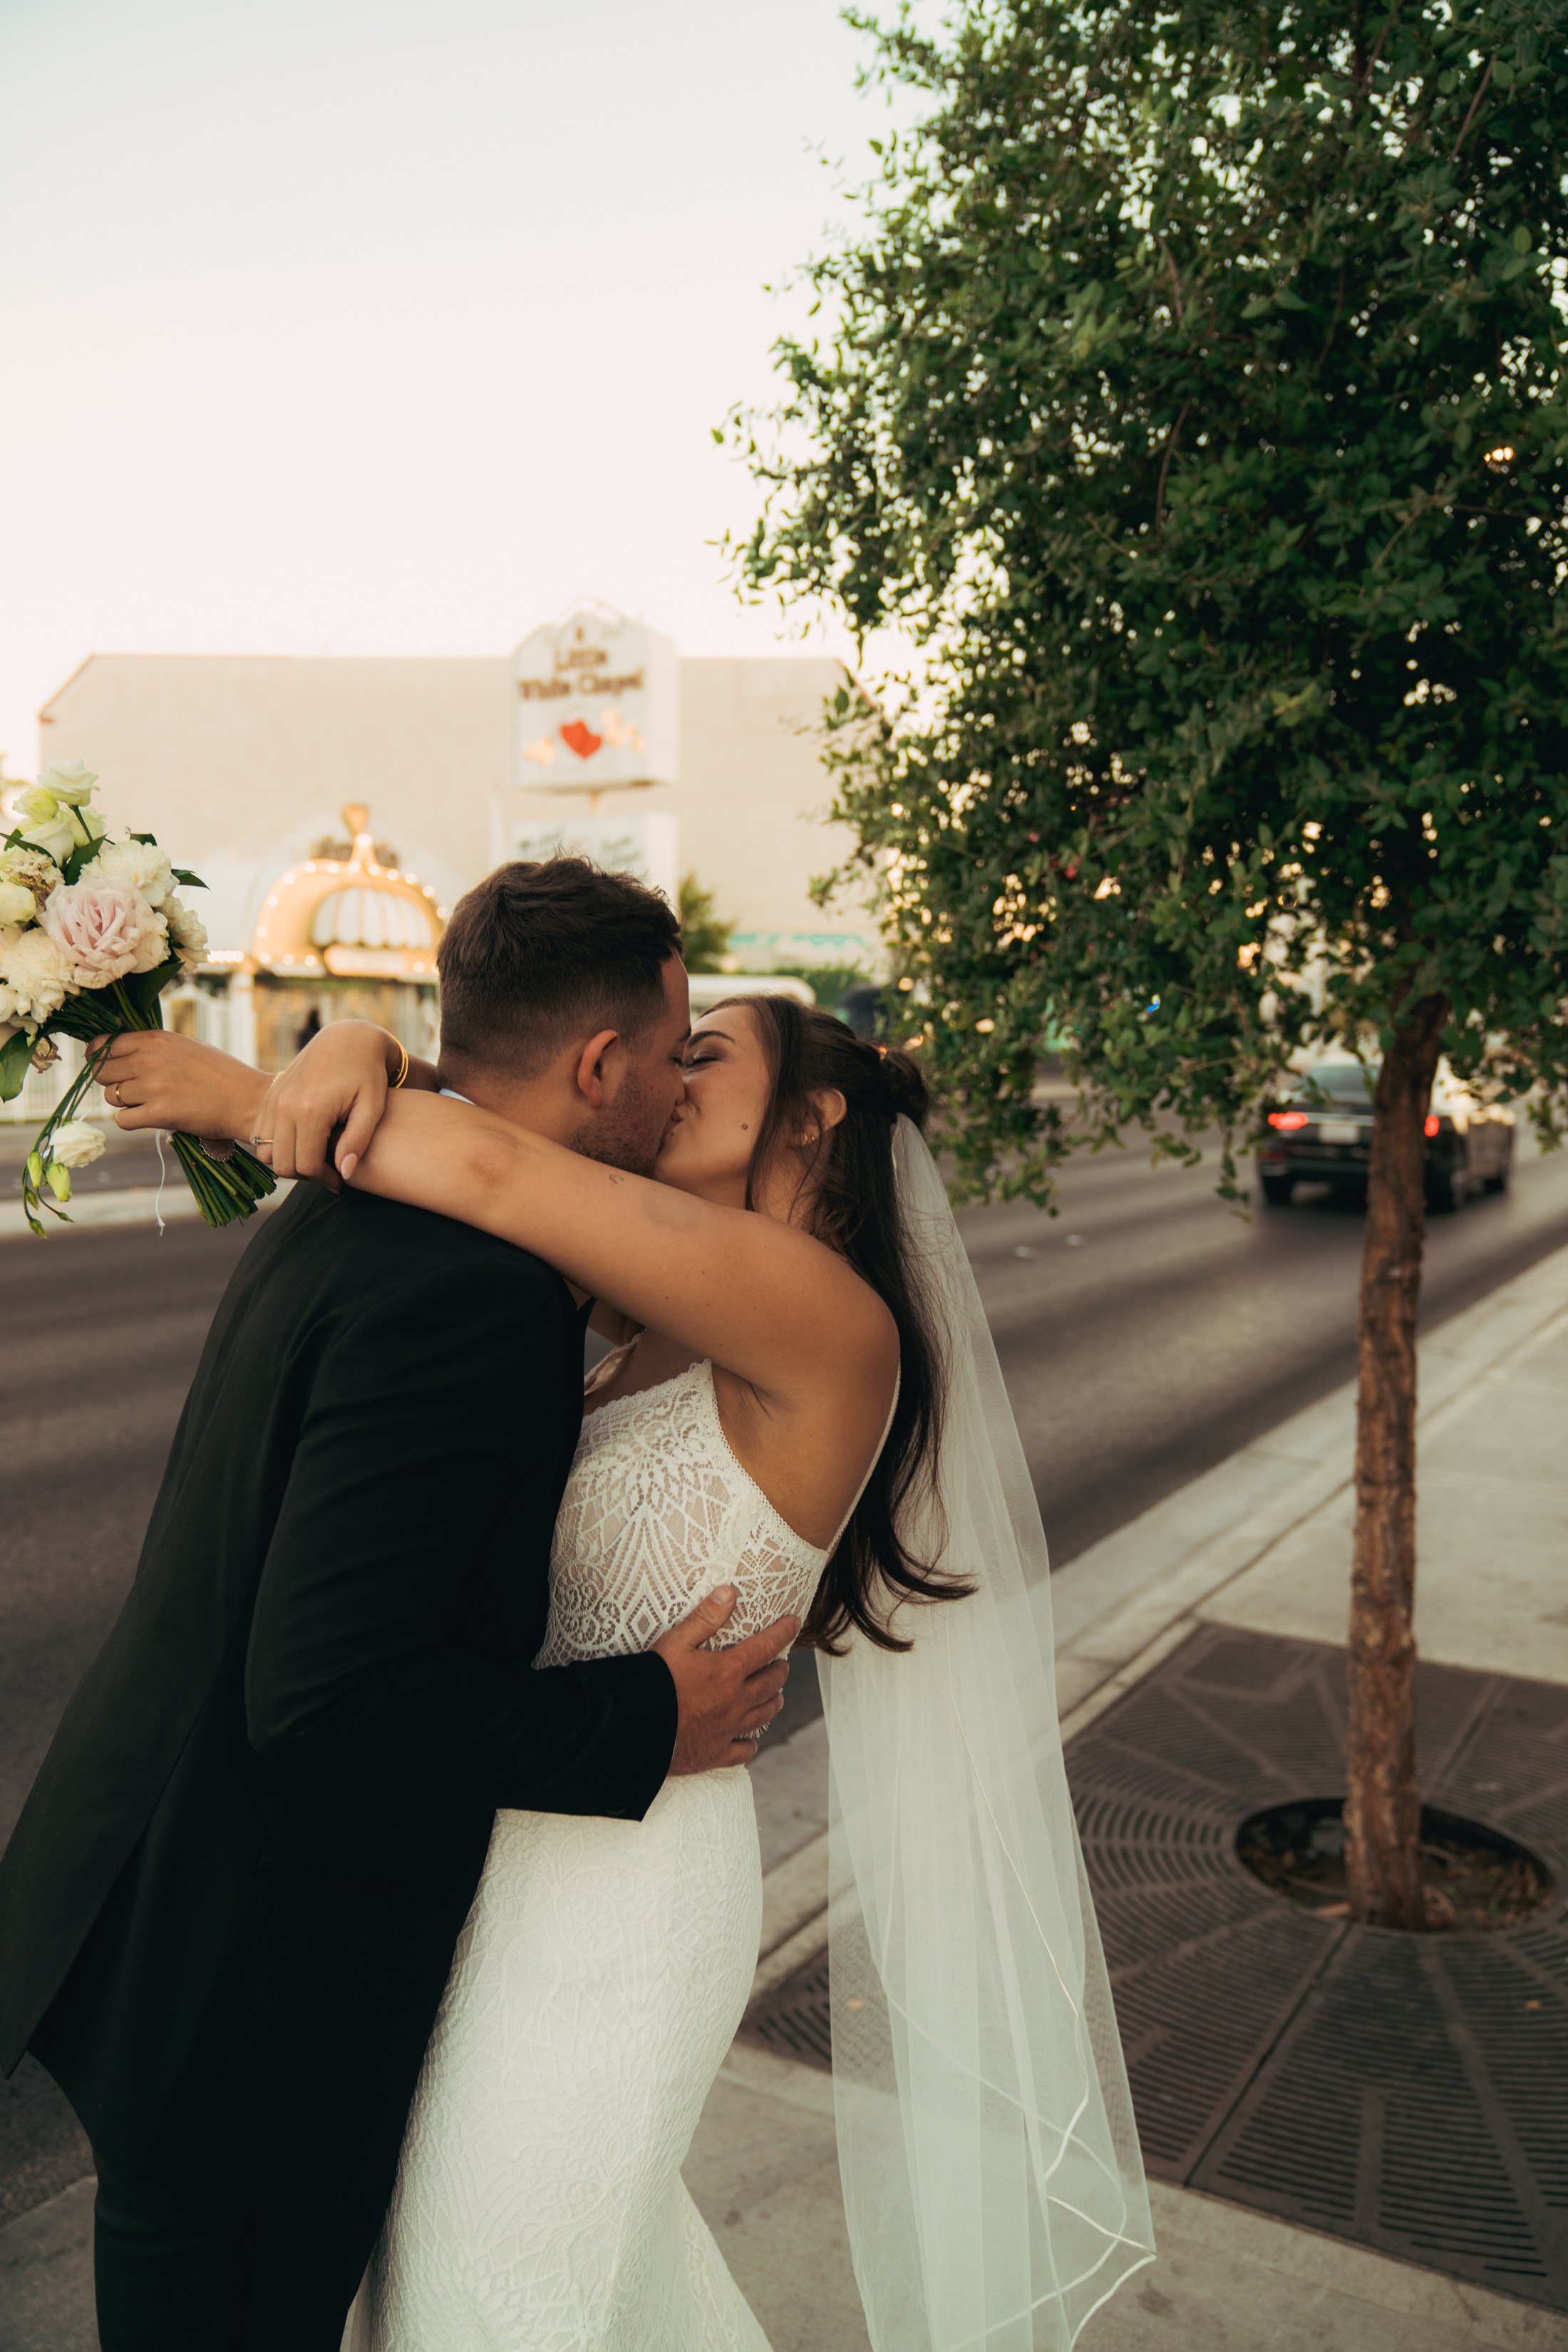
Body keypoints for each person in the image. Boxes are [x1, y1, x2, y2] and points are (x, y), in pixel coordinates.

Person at [85, 875, 1155, 2351]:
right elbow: (505, 1145)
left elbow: (507, 1174)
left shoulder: (825, 1318)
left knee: (488, 2300)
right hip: (493, 1850)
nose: (667, 1076)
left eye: (706, 1056)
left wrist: (265, 1085)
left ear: (812, 1126)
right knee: (546, 2283)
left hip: (624, 1884)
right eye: (669, 1046)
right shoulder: (633, 1305)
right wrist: (362, 1054)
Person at [0, 860, 798, 2352]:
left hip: (181, 1936)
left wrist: (360, 1060)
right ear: (599, 1062)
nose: (673, 1092)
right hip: (256, 2006)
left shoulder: (357, 1201)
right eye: (671, 1055)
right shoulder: (476, 1291)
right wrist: (644, 1716)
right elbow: (326, 1689)